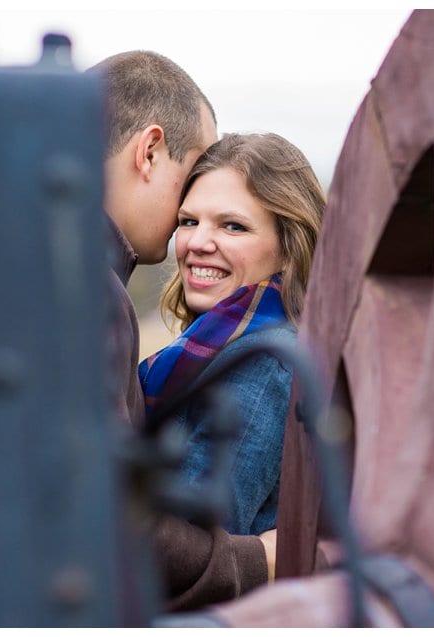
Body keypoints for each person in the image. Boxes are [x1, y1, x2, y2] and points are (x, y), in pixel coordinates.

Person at [89, 51, 277, 612]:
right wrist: (259, 560)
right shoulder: (92, 289)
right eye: (190, 208)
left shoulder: (263, 362)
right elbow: (111, 519)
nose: (185, 230)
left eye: (233, 225)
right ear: (148, 151)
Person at [138, 134, 324, 538]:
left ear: (289, 247)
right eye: (189, 221)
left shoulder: (263, 361)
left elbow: (196, 542)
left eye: (233, 226)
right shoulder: (208, 346)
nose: (197, 243)